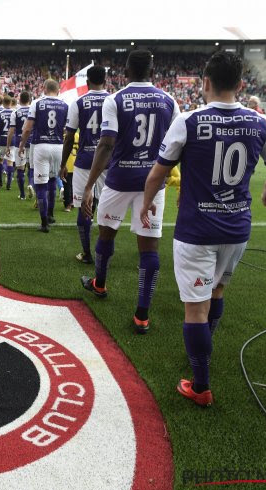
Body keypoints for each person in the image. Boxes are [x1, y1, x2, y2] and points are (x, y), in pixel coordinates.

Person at [139, 51, 266, 406]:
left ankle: (201, 384)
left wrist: (146, 204)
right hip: (237, 228)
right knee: (217, 293)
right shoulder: (259, 122)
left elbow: (158, 173)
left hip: (197, 230)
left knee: (195, 308)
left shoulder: (189, 121)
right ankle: (202, 350)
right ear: (240, 85)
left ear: (205, 82)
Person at [80, 50, 180, 334]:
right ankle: (142, 315)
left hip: (119, 179)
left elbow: (107, 143)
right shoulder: (169, 101)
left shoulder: (116, 99)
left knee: (106, 232)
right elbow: (176, 144)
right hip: (153, 182)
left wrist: (89, 186)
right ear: (152, 70)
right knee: (149, 248)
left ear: (125, 71)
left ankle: (99, 283)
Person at [60, 65, 109, 264]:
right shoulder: (114, 100)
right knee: (106, 209)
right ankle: (104, 253)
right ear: (105, 80)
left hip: (84, 163)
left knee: (83, 207)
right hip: (107, 162)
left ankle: (87, 253)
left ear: (87, 82)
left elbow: (70, 136)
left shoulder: (78, 102)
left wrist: (63, 163)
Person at [19, 79, 69, 232]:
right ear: (58, 90)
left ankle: (44, 223)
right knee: (53, 180)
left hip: (41, 145)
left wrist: (21, 144)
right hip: (59, 146)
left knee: (41, 184)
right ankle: (51, 214)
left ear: (44, 89)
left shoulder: (37, 103)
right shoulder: (65, 105)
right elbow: (68, 130)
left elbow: (27, 128)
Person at [6, 91, 33, 200]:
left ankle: (22, 195)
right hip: (32, 142)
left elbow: (11, 130)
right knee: (31, 167)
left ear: (19, 100)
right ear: (29, 100)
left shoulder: (15, 112)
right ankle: (31, 184)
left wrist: (8, 146)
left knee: (20, 169)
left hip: (19, 142)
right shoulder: (33, 110)